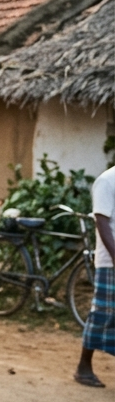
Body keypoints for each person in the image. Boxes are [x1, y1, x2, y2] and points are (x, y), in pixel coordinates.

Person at [77, 163, 115, 387]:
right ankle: (83, 366)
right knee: (103, 312)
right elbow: (101, 221)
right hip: (109, 261)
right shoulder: (107, 181)